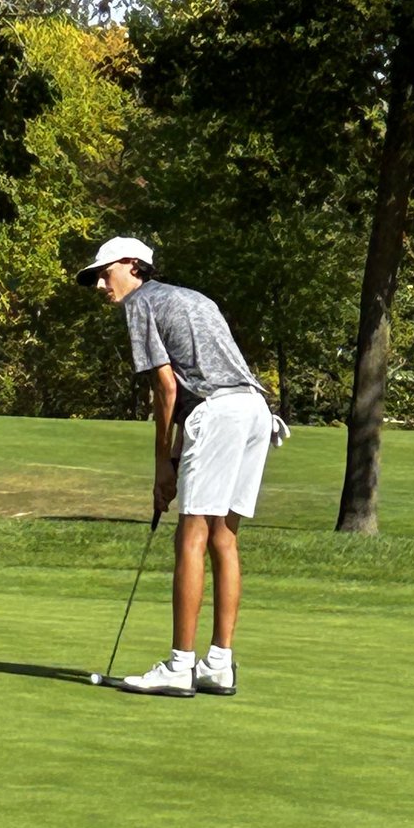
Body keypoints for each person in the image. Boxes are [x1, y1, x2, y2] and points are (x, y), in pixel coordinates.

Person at [77, 236, 287, 697]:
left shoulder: (141, 303)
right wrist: (176, 456)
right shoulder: (192, 297)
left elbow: (168, 389)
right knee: (223, 537)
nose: (98, 284)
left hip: (217, 412)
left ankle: (179, 666)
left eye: (103, 272)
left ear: (132, 265)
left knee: (190, 535)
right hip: (254, 412)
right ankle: (219, 664)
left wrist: (161, 463)